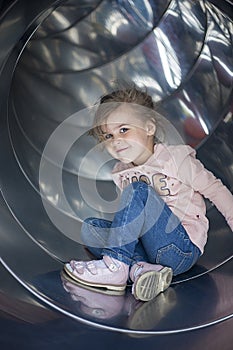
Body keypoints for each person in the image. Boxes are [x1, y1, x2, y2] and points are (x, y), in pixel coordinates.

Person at [64, 85, 233, 302]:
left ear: (149, 127)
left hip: (179, 249)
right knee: (91, 228)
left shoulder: (175, 160)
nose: (116, 140)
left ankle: (116, 267)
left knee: (139, 190)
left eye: (124, 130)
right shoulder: (122, 173)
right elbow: (130, 226)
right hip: (148, 251)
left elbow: (216, 190)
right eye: (108, 135)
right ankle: (140, 271)